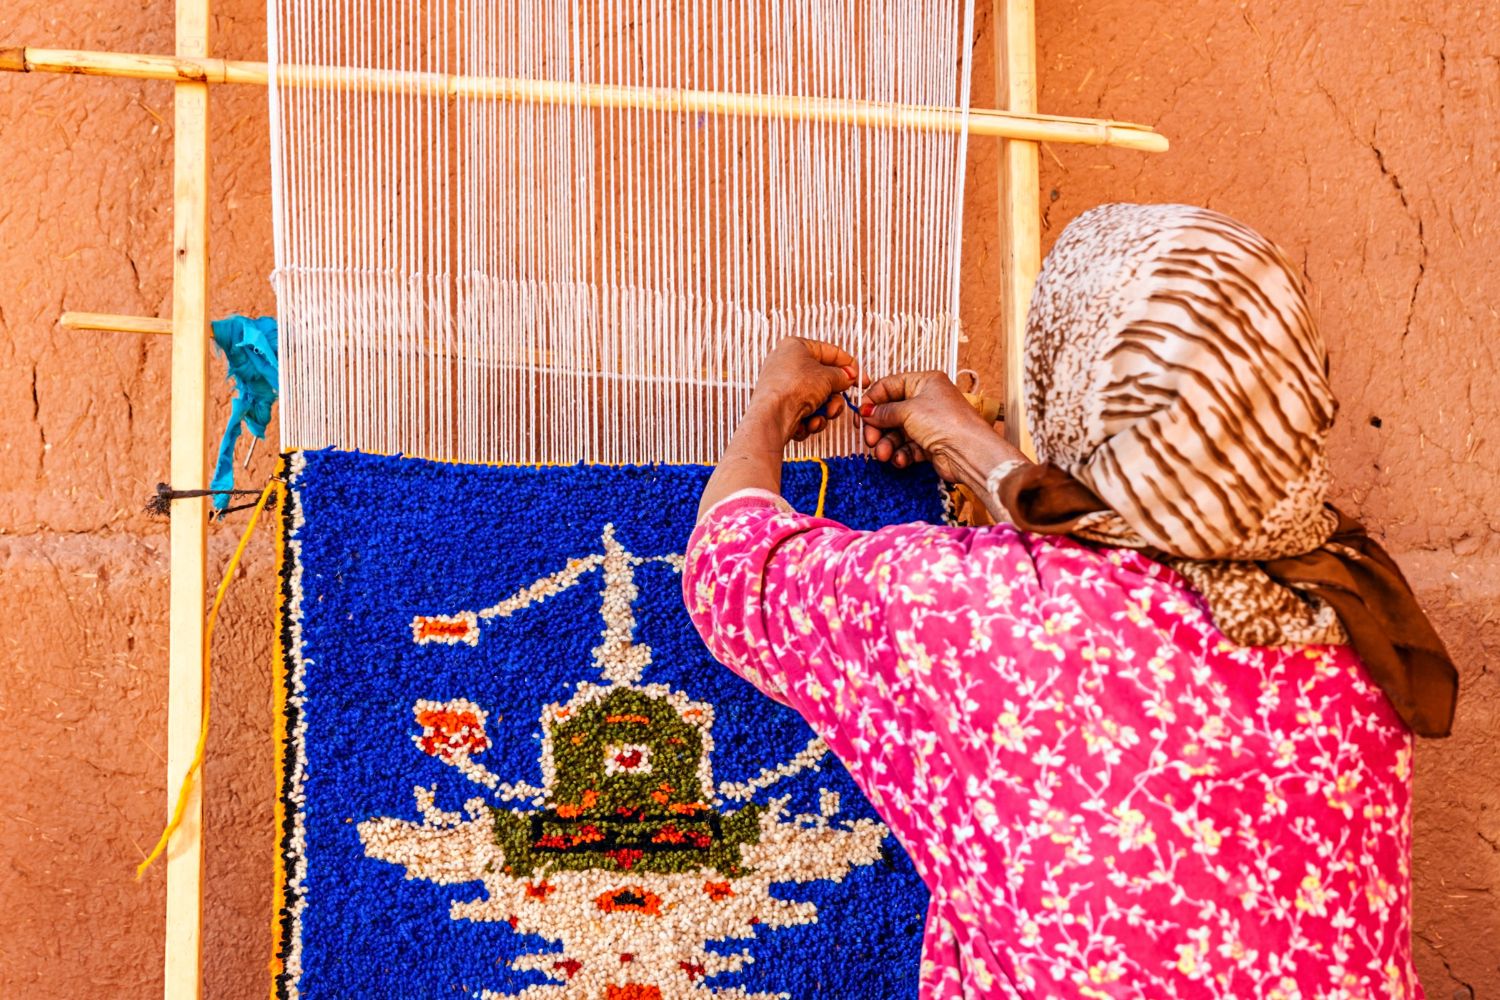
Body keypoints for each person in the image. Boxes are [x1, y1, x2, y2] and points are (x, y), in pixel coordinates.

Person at [681, 203, 1457, 999]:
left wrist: (771, 405)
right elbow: (1154, 531)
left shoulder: (987, 614)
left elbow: (735, 569)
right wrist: (978, 451)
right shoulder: (1355, 606)